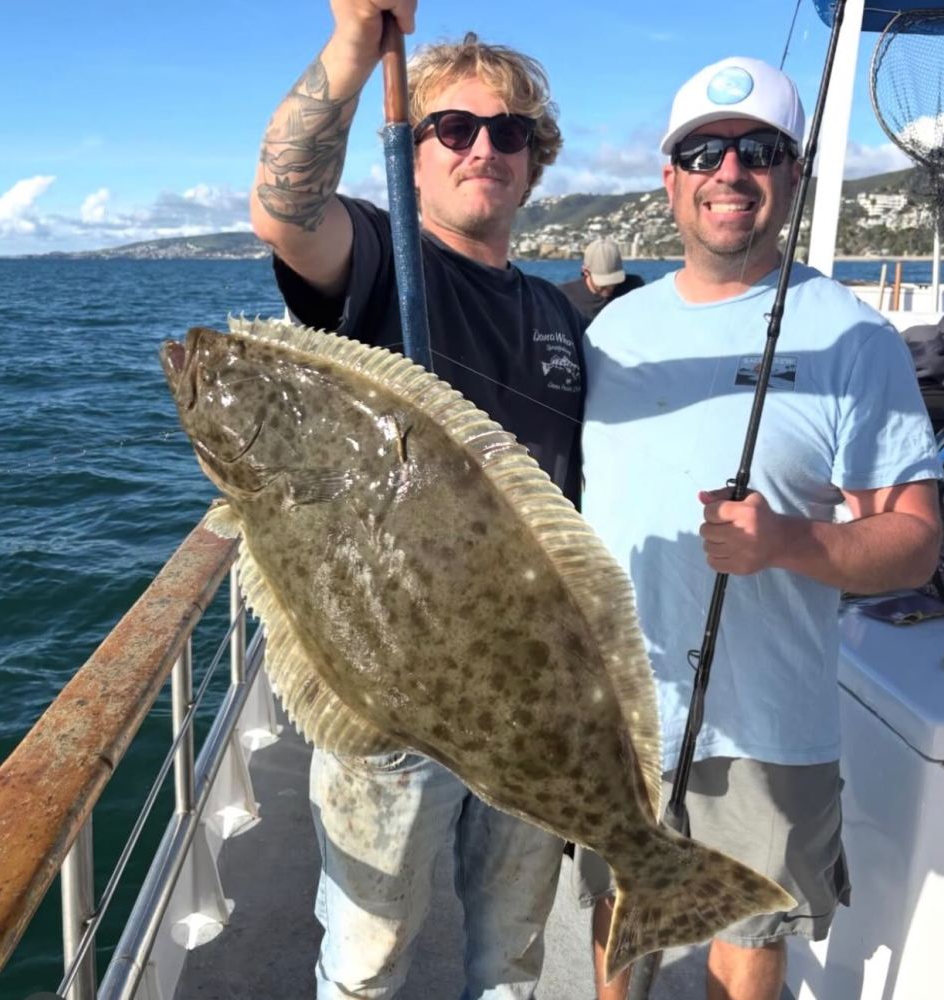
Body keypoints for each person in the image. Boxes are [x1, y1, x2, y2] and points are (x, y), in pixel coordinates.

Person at [578, 56, 943, 1000]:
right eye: (702, 151)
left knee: (749, 938)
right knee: (617, 918)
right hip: (619, 711)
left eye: (759, 150)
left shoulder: (856, 339)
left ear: (792, 174)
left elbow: (916, 542)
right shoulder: (610, 334)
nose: (728, 171)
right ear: (669, 180)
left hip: (771, 722)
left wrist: (790, 544)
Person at [249, 3, 585, 998]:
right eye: (453, 127)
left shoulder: (554, 309)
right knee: (367, 960)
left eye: (508, 132)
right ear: (418, 151)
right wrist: (355, 47)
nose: (484, 148)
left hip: (531, 692)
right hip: (395, 694)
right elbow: (285, 207)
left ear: (533, 160)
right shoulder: (383, 263)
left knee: (513, 958)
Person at [560, 236, 646, 321]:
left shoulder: (634, 287)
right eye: (603, 283)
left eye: (614, 281)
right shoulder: (565, 296)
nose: (610, 287)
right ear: (586, 272)